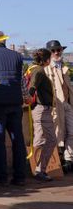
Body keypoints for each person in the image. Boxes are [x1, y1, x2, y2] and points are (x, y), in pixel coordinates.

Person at [0, 31, 27, 187]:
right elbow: (22, 82)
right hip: (15, 102)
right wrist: (25, 97)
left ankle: (1, 176)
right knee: (18, 140)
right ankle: (20, 176)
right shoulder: (17, 56)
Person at [44, 40, 73, 173]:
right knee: (57, 134)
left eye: (59, 50)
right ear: (49, 53)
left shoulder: (64, 67)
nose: (57, 52)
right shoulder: (46, 68)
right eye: (54, 50)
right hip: (55, 105)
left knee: (71, 132)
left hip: (68, 103)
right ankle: (59, 161)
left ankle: (69, 160)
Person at [29, 48, 57, 181]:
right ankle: (38, 170)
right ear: (47, 60)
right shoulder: (39, 71)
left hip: (41, 109)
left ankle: (37, 169)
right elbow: (32, 87)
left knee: (42, 140)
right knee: (48, 140)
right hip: (41, 110)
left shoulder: (33, 69)